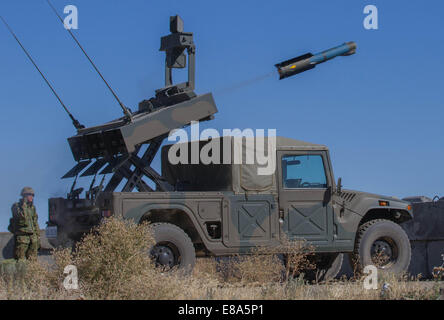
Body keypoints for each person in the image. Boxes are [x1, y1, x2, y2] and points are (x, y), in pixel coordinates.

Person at [10, 187, 40, 260]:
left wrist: (38, 237)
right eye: (29, 195)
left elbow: (35, 223)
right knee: (21, 261)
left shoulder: (33, 208)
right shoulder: (16, 206)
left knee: (33, 262)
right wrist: (24, 205)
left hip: (33, 238)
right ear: (24, 196)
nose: (32, 197)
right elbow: (22, 219)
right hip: (22, 238)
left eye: (33, 195)